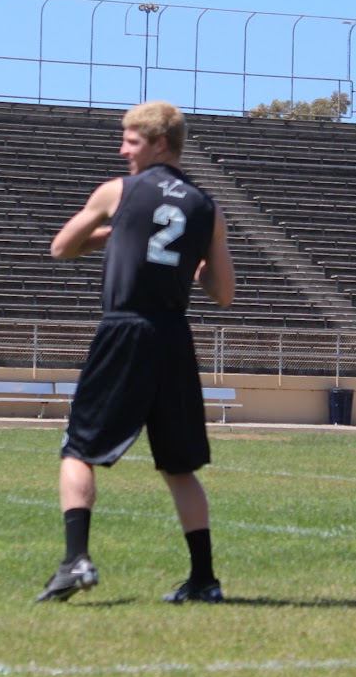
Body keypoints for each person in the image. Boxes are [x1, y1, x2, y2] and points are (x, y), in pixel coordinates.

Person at [37, 100, 235, 604]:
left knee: (78, 449)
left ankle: (75, 560)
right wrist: (190, 263)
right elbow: (223, 292)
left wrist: (111, 231)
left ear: (159, 142)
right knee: (179, 466)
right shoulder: (206, 207)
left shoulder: (118, 191)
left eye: (131, 140)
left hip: (125, 330)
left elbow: (61, 247)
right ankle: (204, 579)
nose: (122, 149)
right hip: (174, 337)